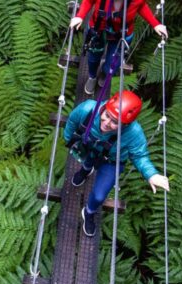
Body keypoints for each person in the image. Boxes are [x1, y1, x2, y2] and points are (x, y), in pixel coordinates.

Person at [63, 89, 170, 238]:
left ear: (126, 124)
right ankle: (85, 171)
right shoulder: (87, 109)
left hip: (111, 161)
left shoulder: (134, 133)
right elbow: (72, 122)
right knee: (87, 161)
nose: (106, 123)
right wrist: (69, 139)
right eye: (107, 115)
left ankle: (88, 212)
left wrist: (151, 174)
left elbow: (139, 155)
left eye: (115, 122)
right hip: (90, 146)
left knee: (99, 196)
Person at [69, 0, 168, 94]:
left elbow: (141, 6)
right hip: (98, 29)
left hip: (122, 33)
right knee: (93, 57)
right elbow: (88, 0)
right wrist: (80, 16)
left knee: (114, 62)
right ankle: (92, 76)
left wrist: (155, 24)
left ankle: (105, 73)